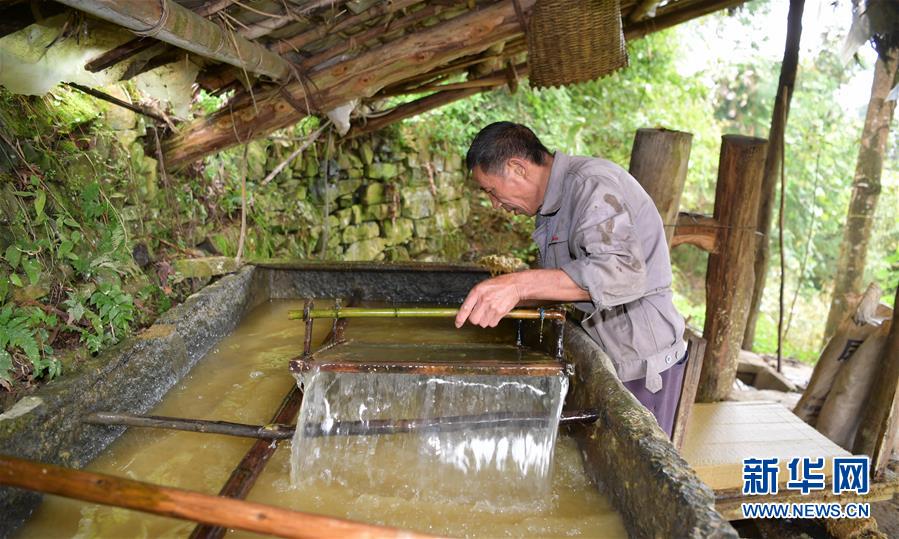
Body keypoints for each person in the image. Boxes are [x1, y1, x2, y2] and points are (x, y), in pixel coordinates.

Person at [454, 121, 687, 437]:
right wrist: (505, 296)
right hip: (606, 358)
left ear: (518, 168)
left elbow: (623, 273)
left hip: (641, 366)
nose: (495, 204)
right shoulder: (553, 203)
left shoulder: (592, 186)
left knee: (641, 476)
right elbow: (568, 282)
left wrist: (518, 285)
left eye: (492, 191)